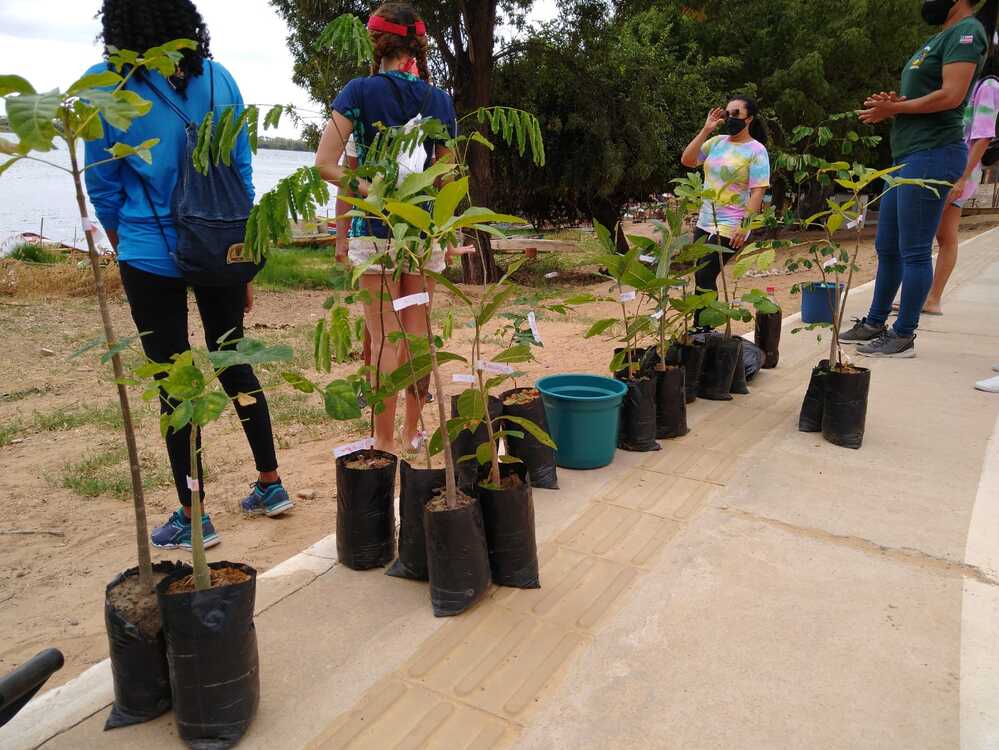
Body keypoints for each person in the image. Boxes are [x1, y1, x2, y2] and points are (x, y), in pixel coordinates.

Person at [86, 0, 293, 551]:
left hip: (149, 251)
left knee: (174, 383)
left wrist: (125, 248)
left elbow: (103, 186)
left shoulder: (107, 85)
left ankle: (194, 513)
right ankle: (271, 483)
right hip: (220, 247)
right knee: (234, 359)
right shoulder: (221, 80)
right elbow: (242, 172)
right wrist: (240, 259)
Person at [316, 2, 457, 453]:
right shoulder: (439, 101)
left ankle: (382, 440)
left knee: (382, 338)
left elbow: (326, 165)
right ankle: (414, 433)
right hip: (422, 233)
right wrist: (446, 233)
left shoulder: (357, 92)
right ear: (415, 47)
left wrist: (370, 189)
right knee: (417, 334)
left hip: (375, 234)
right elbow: (446, 176)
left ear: (376, 43)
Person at [841, 0, 994, 357]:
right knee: (888, 246)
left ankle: (904, 334)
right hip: (908, 153)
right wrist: (894, 105)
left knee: (914, 249)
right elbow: (926, 94)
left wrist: (895, 108)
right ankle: (875, 322)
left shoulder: (968, 32)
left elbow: (951, 96)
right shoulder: (941, 36)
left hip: (933, 153)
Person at [924, 18, 999, 315]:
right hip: (949, 166)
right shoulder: (968, 84)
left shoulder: (988, 86)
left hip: (958, 170)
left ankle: (930, 297)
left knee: (928, 233)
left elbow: (983, 136)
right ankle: (929, 298)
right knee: (943, 235)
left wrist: (962, 178)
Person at [680, 97, 771, 325]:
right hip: (705, 220)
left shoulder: (757, 150)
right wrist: (706, 130)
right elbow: (688, 160)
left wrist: (745, 225)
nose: (730, 118)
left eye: (736, 114)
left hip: (732, 223)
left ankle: (704, 328)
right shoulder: (717, 142)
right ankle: (703, 329)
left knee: (706, 273)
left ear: (749, 119)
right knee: (700, 273)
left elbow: (758, 191)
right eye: (727, 114)